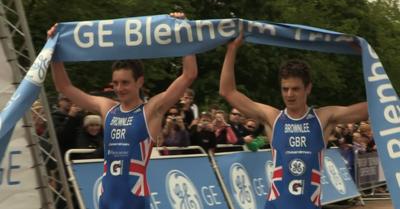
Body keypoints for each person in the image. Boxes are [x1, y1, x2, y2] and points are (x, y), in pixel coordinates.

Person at [49, 12, 197, 209]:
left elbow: (189, 75)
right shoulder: (107, 108)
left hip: (133, 199)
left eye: (125, 83)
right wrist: (54, 52)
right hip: (106, 199)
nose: (119, 89)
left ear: (139, 82)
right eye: (116, 83)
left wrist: (184, 31)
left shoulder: (151, 109)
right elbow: (65, 88)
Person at [219, 34, 368, 209]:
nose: (289, 95)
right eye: (285, 89)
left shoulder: (323, 117)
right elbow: (227, 91)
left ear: (308, 88)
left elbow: (370, 108)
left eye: (295, 89)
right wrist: (231, 49)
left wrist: (366, 58)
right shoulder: (272, 117)